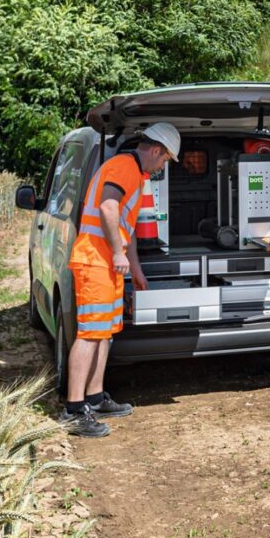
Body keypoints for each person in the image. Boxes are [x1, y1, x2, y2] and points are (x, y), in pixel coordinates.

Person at [59, 122, 181, 437]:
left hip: (109, 265)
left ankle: (96, 398)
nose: (163, 165)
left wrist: (134, 266)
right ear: (156, 150)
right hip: (96, 261)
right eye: (165, 159)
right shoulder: (123, 167)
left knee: (105, 332)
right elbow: (108, 207)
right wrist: (116, 252)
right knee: (89, 334)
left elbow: (129, 230)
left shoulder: (136, 176)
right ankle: (74, 410)